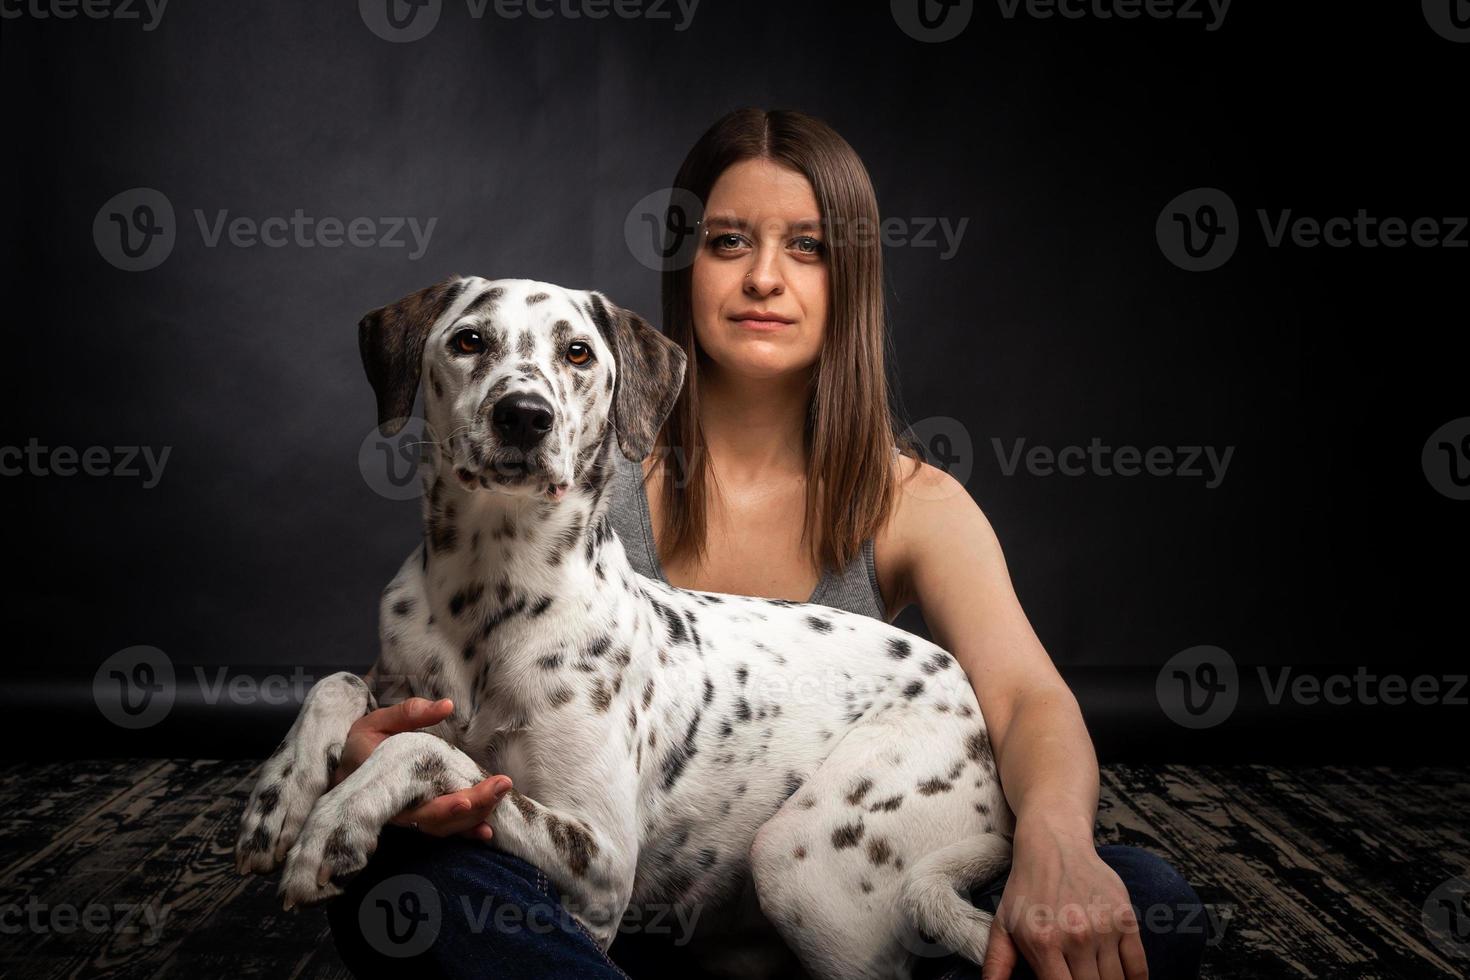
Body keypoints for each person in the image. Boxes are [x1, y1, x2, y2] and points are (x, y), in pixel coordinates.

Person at [325, 108, 1208, 980]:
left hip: (845, 893)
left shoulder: (912, 500)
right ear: (688, 264)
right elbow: (454, 695)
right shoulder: (568, 480)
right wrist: (371, 760)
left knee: (1143, 894)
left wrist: (1058, 846)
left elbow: (1025, 703)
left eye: (809, 247)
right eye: (729, 242)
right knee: (398, 873)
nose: (764, 278)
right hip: (608, 902)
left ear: (850, 279)